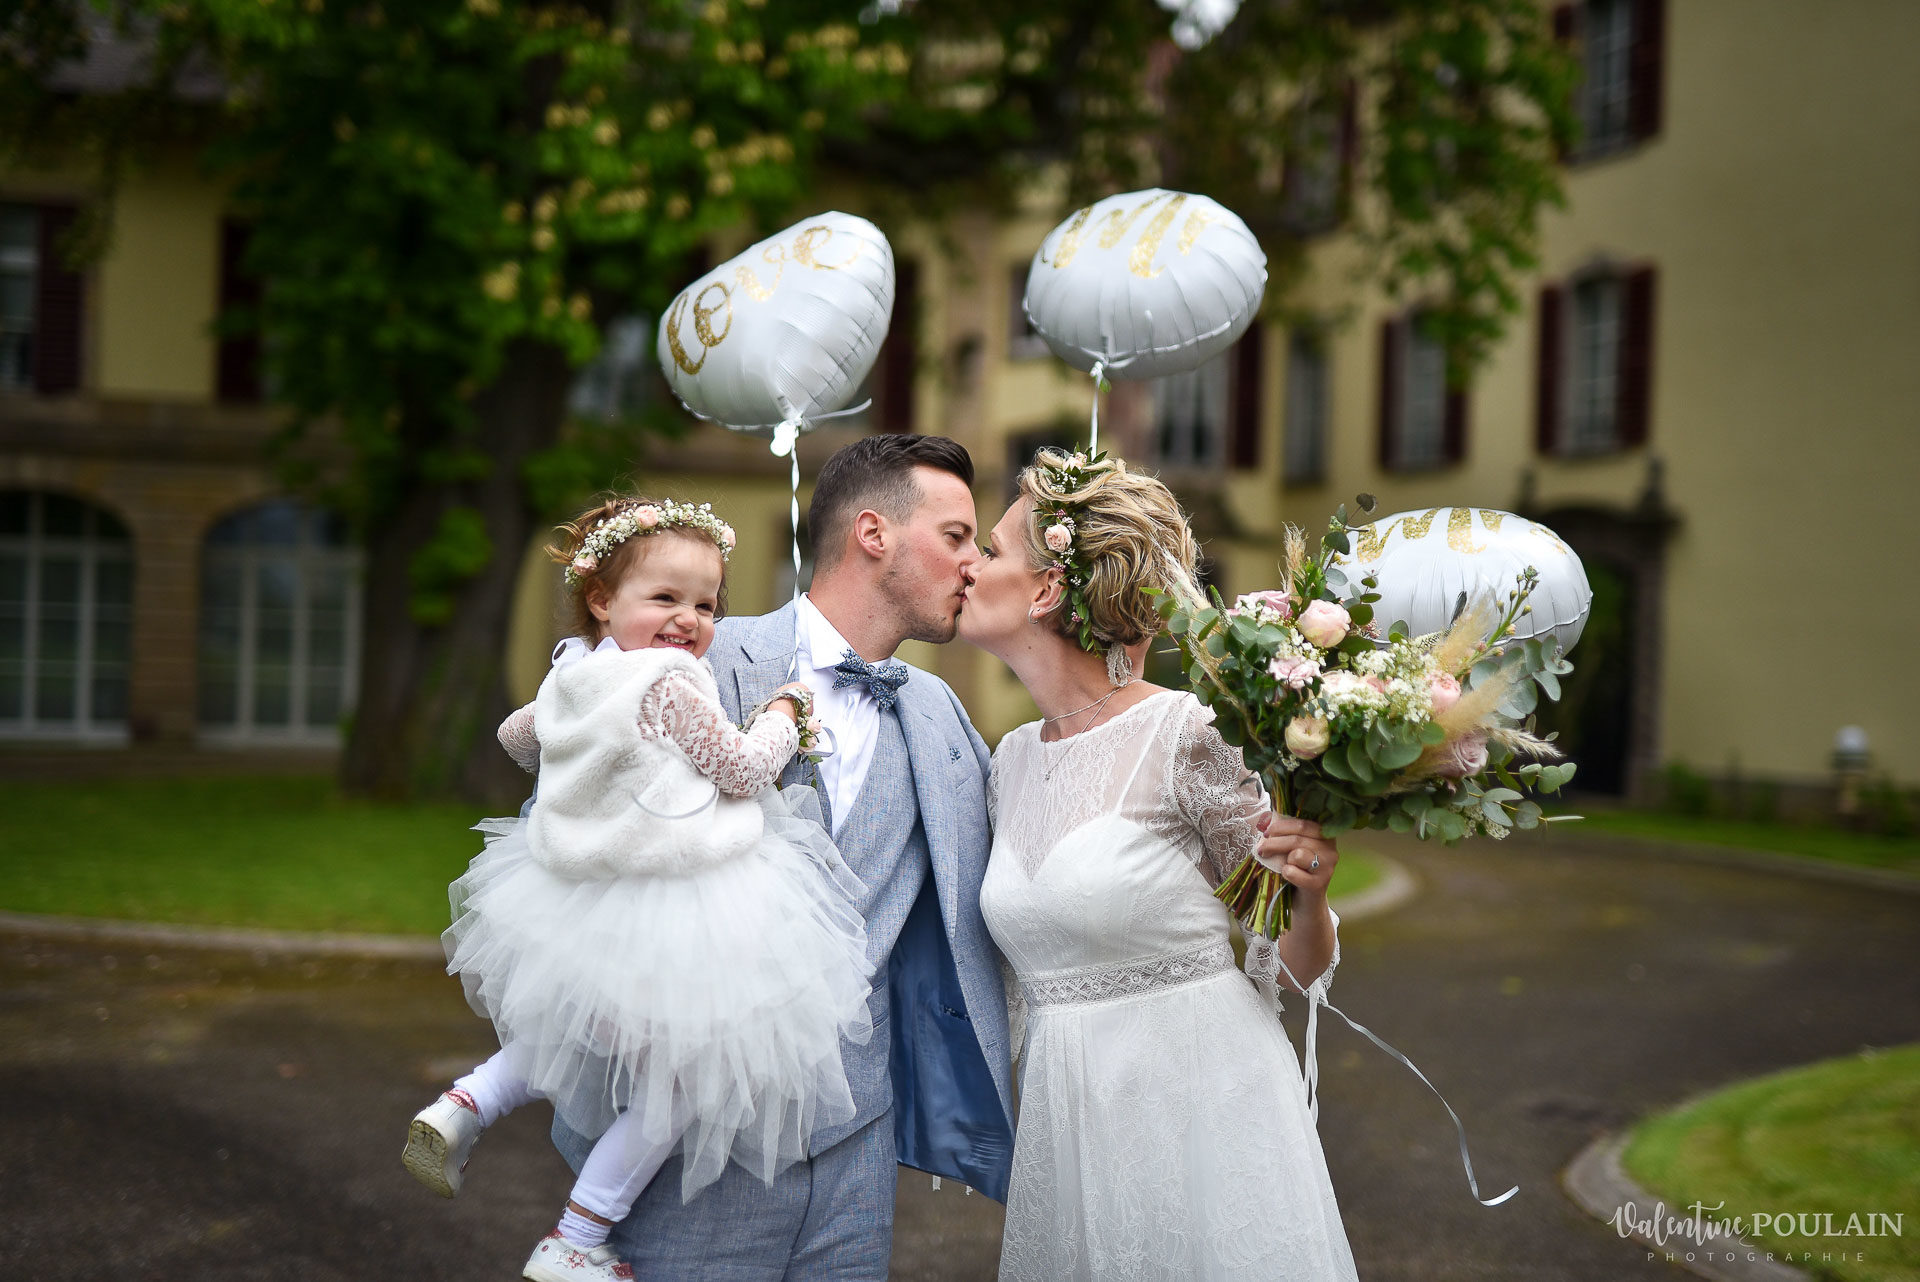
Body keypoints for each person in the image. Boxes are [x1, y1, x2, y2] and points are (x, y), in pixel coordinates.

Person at [545, 435, 1015, 1279]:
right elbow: (572, 829)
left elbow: (1023, 858)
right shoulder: (689, 655)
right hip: (691, 1137)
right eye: (956, 537)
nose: (974, 562)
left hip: (858, 1144)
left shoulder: (940, 713)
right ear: (872, 534)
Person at [401, 495, 875, 1282]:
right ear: (601, 599)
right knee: (680, 1082)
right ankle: (577, 1238)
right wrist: (786, 711)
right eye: (665, 598)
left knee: (574, 1029)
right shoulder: (668, 682)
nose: (689, 620)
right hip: (681, 900)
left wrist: (597, 760)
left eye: (706, 605)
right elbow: (743, 770)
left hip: (586, 899)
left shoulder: (574, 673)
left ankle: (465, 1105)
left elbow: (517, 738)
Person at [959, 447, 1360, 1281]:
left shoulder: (1186, 736)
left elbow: (1293, 964)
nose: (968, 564)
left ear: (1046, 588)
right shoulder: (1008, 760)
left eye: (989, 550)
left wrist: (1311, 893)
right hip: (1068, 1124)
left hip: (1200, 1114)